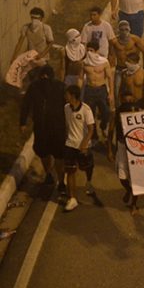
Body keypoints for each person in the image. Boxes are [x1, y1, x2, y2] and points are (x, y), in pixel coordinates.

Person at [20, 64, 66, 195]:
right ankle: (49, 174)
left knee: (58, 155)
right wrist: (22, 122)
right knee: (43, 152)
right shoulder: (34, 87)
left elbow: (67, 105)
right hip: (42, 127)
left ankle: (61, 181)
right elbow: (26, 105)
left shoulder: (60, 87)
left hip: (57, 126)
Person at [62, 84, 94, 212]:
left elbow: (91, 129)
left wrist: (84, 144)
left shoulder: (86, 110)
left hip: (83, 146)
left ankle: (89, 181)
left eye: (67, 94)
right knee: (70, 171)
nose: (65, 97)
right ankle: (72, 198)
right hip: (70, 145)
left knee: (86, 167)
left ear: (73, 96)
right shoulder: (66, 108)